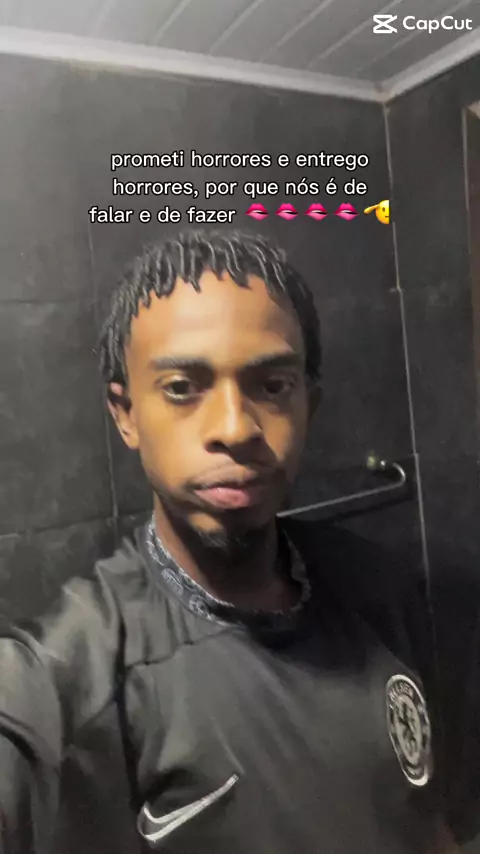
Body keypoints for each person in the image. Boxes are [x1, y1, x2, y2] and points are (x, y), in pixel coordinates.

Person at [0, 229, 465, 853]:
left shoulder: (381, 591)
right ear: (126, 413)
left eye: (271, 386)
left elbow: (428, 823)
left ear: (309, 404)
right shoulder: (66, 678)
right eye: (181, 388)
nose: (235, 428)